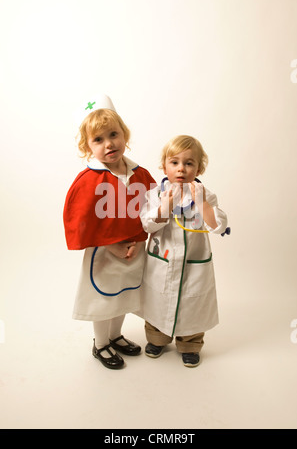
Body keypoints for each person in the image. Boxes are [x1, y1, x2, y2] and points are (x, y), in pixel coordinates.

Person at [63, 95, 156, 370]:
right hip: (104, 254)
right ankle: (101, 343)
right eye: (98, 139)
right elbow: (79, 218)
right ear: (87, 147)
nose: (109, 144)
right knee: (103, 298)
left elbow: (151, 209)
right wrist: (109, 245)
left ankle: (116, 336)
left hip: (133, 250)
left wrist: (141, 239)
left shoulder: (140, 174)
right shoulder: (89, 180)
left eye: (113, 134)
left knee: (125, 295)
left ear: (124, 135)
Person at [139, 135, 228, 367]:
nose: (181, 169)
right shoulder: (155, 195)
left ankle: (190, 343)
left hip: (194, 264)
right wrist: (165, 206)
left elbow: (218, 226)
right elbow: (148, 224)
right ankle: (157, 339)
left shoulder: (205, 195)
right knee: (157, 300)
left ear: (199, 167)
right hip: (163, 262)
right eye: (175, 162)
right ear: (164, 165)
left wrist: (202, 204)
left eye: (189, 163)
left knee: (193, 305)